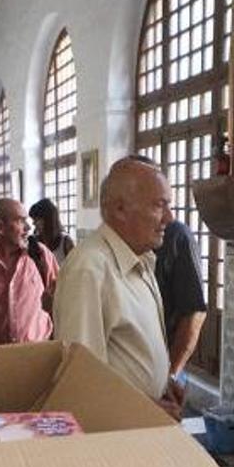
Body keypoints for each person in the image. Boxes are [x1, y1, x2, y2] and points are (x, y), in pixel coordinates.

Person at [53, 158, 180, 417]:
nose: (170, 217)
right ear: (120, 209)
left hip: (144, 421)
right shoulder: (89, 268)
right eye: (159, 205)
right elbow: (82, 379)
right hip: (118, 429)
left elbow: (131, 350)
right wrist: (142, 408)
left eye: (169, 205)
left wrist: (163, 383)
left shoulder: (140, 259)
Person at [0, 198, 58, 344]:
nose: (28, 227)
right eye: (21, 221)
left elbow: (58, 298)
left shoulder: (40, 255)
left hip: (39, 351)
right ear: (0, 227)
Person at [155, 219, 209, 380]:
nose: (168, 214)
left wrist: (170, 374)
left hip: (165, 366)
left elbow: (195, 313)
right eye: (158, 204)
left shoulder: (176, 236)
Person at [29, 198, 74, 266]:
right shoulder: (34, 241)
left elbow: (74, 268)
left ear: (48, 219)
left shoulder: (65, 242)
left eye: (37, 219)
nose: (33, 223)